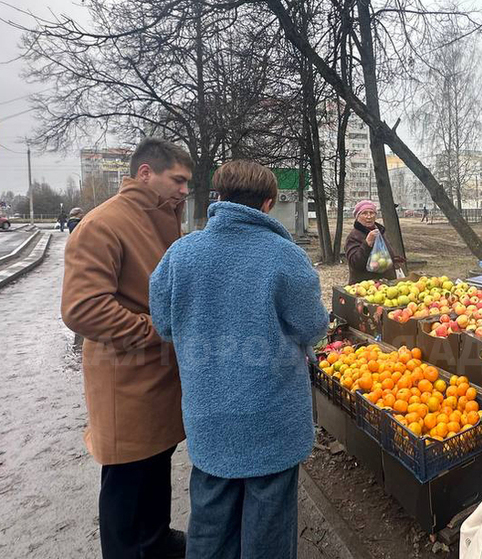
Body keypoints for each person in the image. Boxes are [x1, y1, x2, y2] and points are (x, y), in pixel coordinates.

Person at [149, 160, 329, 559]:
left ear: (219, 196)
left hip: (208, 415)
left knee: (210, 524)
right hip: (272, 420)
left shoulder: (181, 255)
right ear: (268, 203)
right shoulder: (285, 256)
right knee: (269, 527)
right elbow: (313, 326)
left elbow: (163, 323)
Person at [61, 138, 193, 559]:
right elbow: (83, 308)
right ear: (145, 174)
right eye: (178, 180)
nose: (184, 190)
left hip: (155, 377)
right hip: (127, 382)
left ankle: (154, 539)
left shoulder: (161, 217)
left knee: (154, 469)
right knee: (126, 482)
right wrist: (159, 330)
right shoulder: (103, 224)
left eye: (188, 183)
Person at [344, 200, 405, 284]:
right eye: (364, 213)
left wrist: (393, 259)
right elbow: (355, 263)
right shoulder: (354, 236)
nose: (369, 216)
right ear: (357, 217)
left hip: (386, 284)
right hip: (366, 286)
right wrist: (367, 244)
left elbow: (384, 254)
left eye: (371, 213)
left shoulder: (379, 232)